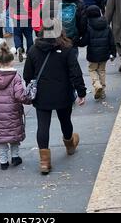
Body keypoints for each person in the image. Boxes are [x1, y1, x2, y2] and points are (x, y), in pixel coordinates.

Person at [23, 20, 86, 175]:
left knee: (43, 126)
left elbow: (27, 75)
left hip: (42, 94)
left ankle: (44, 161)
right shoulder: (67, 49)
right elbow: (75, 72)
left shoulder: (33, 50)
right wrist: (81, 92)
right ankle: (70, 145)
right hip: (63, 93)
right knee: (65, 121)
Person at [0, 43, 30, 170]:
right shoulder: (15, 77)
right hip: (12, 111)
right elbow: (20, 96)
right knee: (14, 135)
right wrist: (29, 98)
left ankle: (3, 161)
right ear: (11, 61)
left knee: (1, 138)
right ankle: (15, 156)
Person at [80, 6, 116, 101]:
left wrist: (77, 42)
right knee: (102, 71)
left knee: (92, 70)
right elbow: (111, 41)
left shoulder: (89, 26)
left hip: (93, 54)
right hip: (104, 54)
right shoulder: (106, 25)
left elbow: (85, 41)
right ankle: (102, 91)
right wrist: (113, 53)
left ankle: (97, 84)